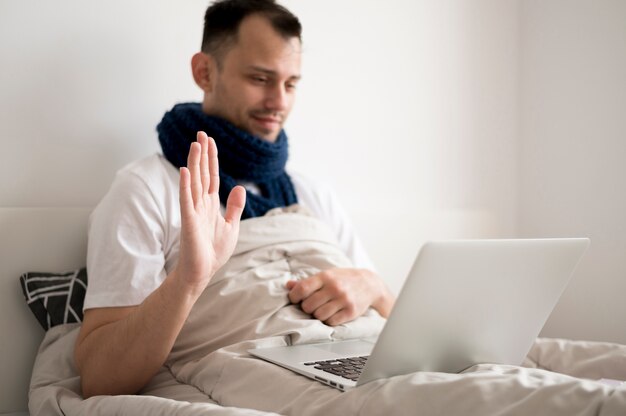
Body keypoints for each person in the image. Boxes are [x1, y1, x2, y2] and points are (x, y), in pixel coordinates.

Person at [74, 0, 395, 398]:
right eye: (261, 78)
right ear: (204, 72)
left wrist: (375, 288)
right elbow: (101, 377)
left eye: (291, 83)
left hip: (376, 361)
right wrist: (189, 281)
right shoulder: (145, 189)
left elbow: (402, 324)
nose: (280, 102)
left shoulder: (312, 192)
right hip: (283, 381)